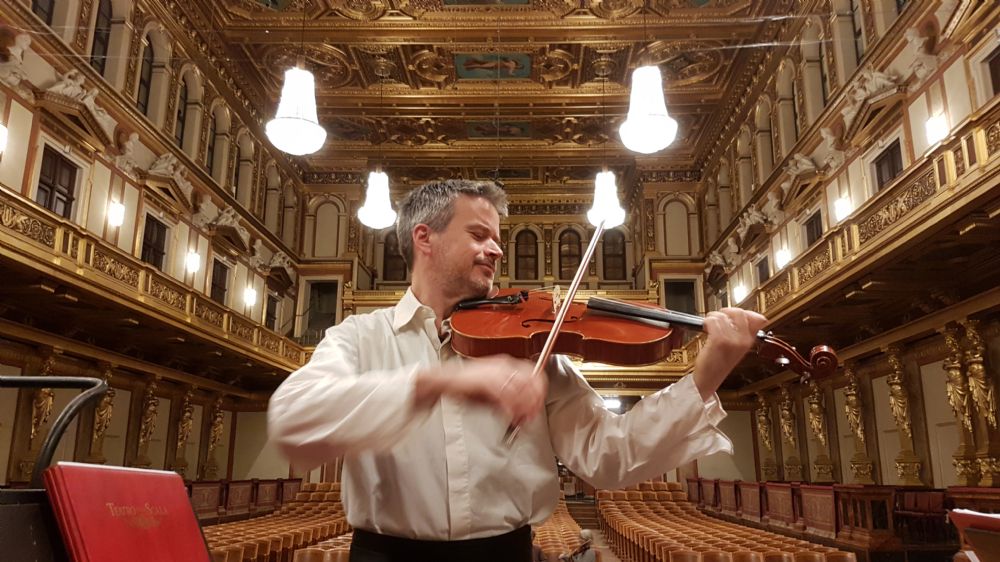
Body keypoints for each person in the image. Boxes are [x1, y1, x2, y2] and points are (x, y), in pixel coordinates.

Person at [268, 179, 768, 562]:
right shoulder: (359, 337)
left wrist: (705, 377)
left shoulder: (531, 351)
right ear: (425, 237)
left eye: (499, 238)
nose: (497, 249)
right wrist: (441, 381)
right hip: (386, 554)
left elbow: (610, 456)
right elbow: (293, 421)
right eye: (479, 234)